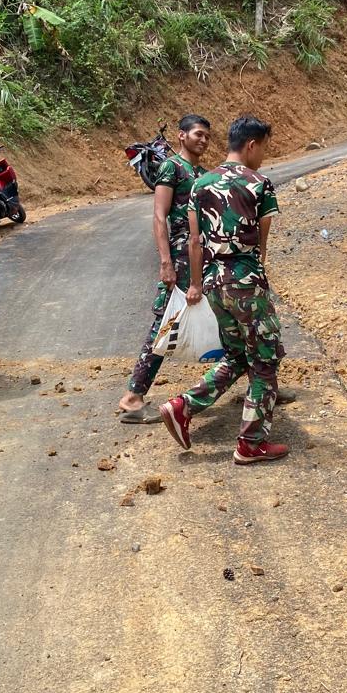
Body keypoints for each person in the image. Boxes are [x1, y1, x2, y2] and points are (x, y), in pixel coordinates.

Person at [159, 116, 289, 464]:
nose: (263, 156)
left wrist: (198, 285)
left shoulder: (201, 184)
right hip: (246, 282)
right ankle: (250, 444)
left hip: (214, 283)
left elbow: (195, 241)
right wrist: (255, 272)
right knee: (264, 361)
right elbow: (262, 244)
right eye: (263, 148)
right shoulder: (259, 183)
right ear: (251, 145)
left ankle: (182, 406)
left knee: (236, 356)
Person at [117, 114, 211, 423]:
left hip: (204, 255)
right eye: (198, 134)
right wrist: (166, 262)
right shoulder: (172, 167)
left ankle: (253, 383)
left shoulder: (203, 172)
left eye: (207, 136)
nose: (203, 140)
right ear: (181, 136)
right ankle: (133, 397)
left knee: (223, 314)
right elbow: (159, 217)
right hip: (182, 256)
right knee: (166, 324)